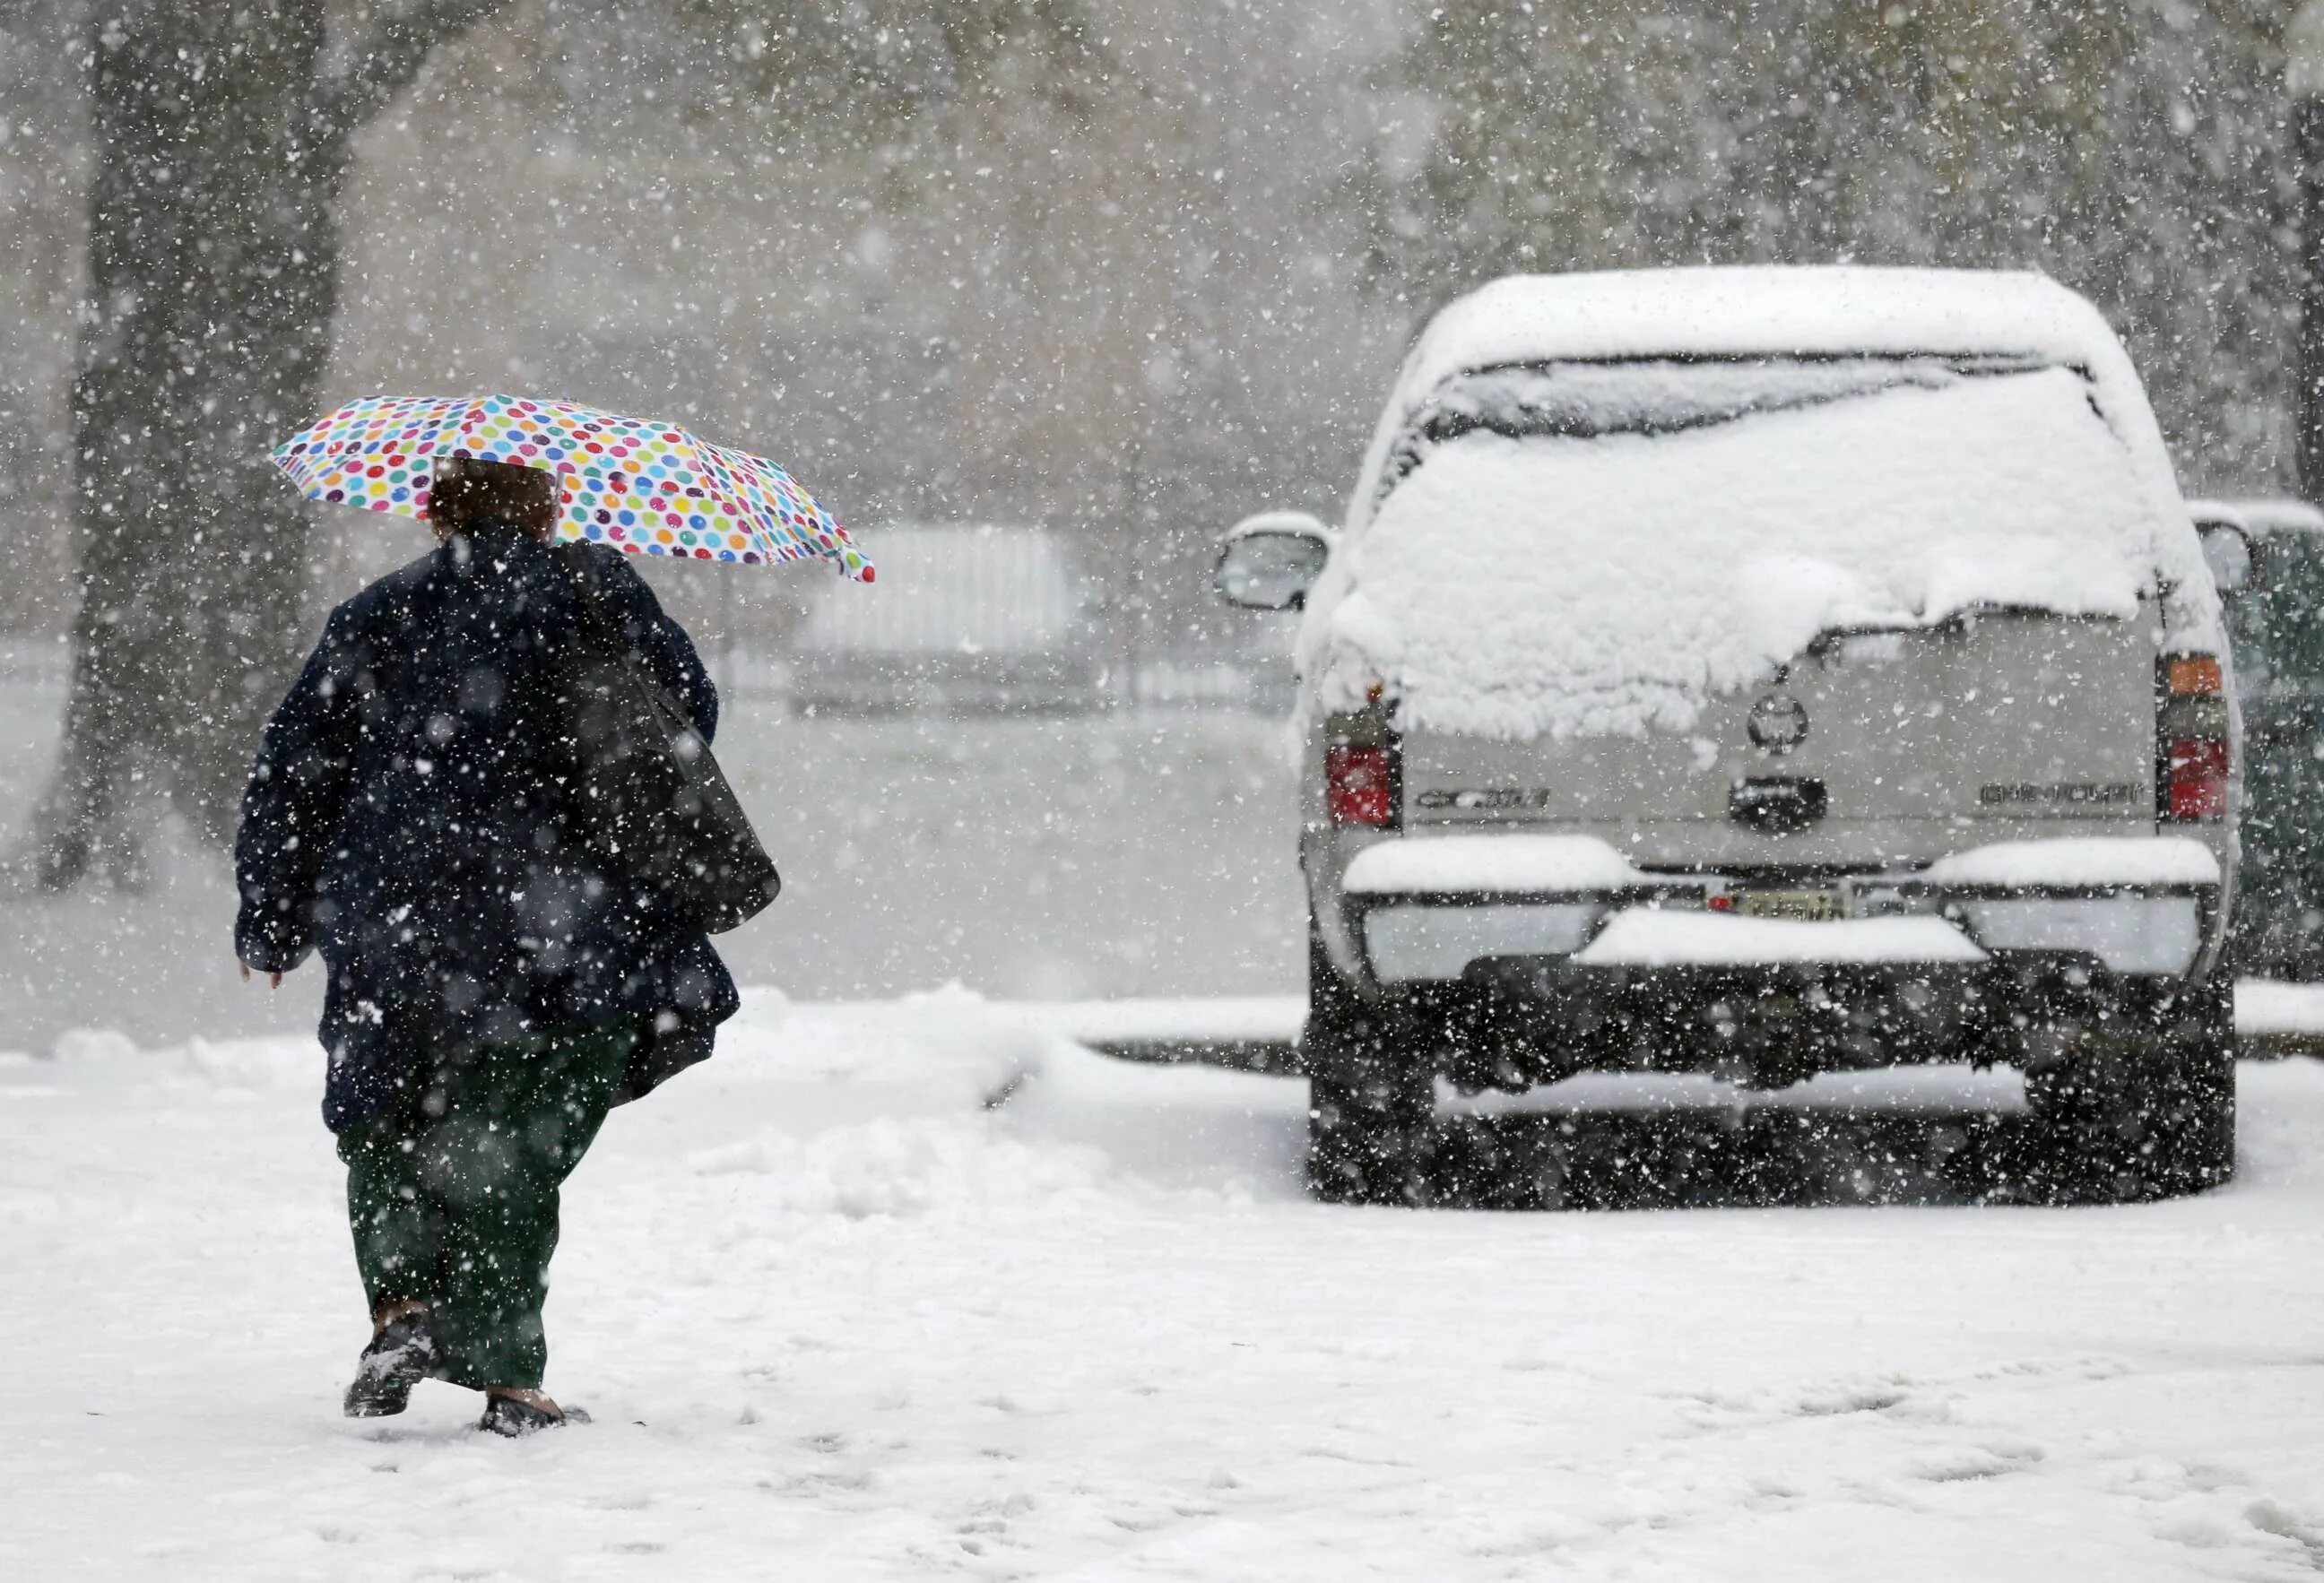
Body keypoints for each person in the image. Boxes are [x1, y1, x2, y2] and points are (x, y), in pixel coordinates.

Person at [234, 455, 737, 1436]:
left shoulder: (376, 613)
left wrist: (273, 914)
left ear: (432, 512)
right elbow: (691, 719)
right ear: (550, 510)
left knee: (385, 1114)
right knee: (516, 1135)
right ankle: (509, 1377)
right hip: (562, 919)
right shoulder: (595, 588)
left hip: (398, 918)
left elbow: (294, 769)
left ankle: (404, 1308)